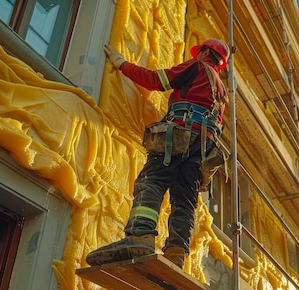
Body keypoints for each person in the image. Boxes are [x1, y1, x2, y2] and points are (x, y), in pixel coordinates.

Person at [86, 38, 230, 269]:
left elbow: (156, 81)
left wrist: (122, 64)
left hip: (180, 134)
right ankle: (176, 252)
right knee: (185, 199)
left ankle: (140, 236)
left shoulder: (196, 66)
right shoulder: (222, 91)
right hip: (203, 149)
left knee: (151, 181)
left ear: (204, 52)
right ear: (220, 64)